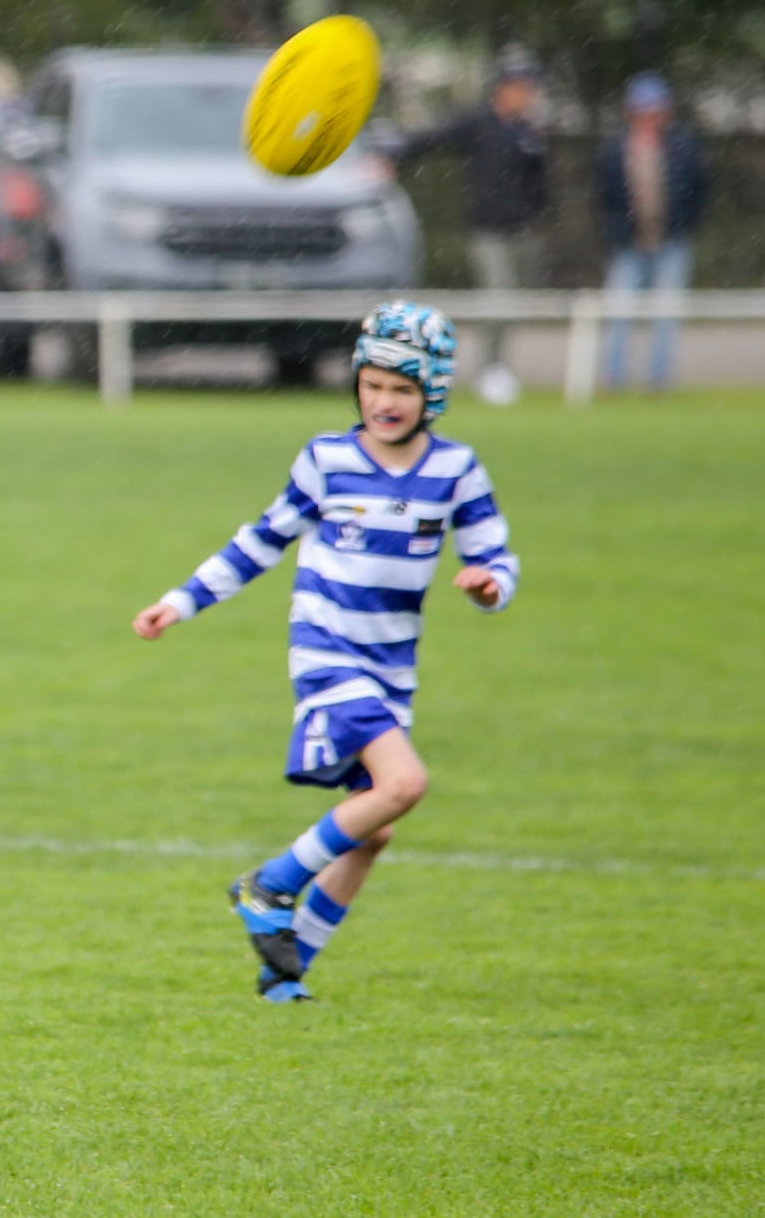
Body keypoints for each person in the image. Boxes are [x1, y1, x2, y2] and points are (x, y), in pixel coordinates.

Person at [131, 302, 519, 1002]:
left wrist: (489, 586)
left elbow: (495, 556)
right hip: (327, 651)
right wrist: (182, 599)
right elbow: (261, 540)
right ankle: (269, 884)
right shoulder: (327, 460)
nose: (384, 401)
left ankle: (285, 972)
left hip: (392, 664)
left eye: (402, 389)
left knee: (375, 831)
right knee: (404, 785)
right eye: (372, 384)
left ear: (432, 393)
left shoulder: (457, 470)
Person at [381, 52, 550, 404]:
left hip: (521, 230)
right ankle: (492, 370)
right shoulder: (479, 123)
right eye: (519, 87)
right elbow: (433, 138)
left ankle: (499, 367)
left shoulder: (528, 130)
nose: (525, 94)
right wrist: (394, 157)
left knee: (514, 302)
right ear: (503, 89)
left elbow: (539, 184)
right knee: (498, 296)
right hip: (488, 228)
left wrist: (537, 218)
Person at [597, 72, 710, 391]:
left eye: (654, 111)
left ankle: (659, 379)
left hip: (671, 241)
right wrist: (618, 230)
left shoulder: (682, 146)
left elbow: (700, 188)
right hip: (629, 243)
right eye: (642, 110)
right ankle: (613, 377)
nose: (648, 117)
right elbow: (605, 196)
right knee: (619, 311)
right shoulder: (615, 147)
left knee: (667, 313)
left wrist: (685, 223)